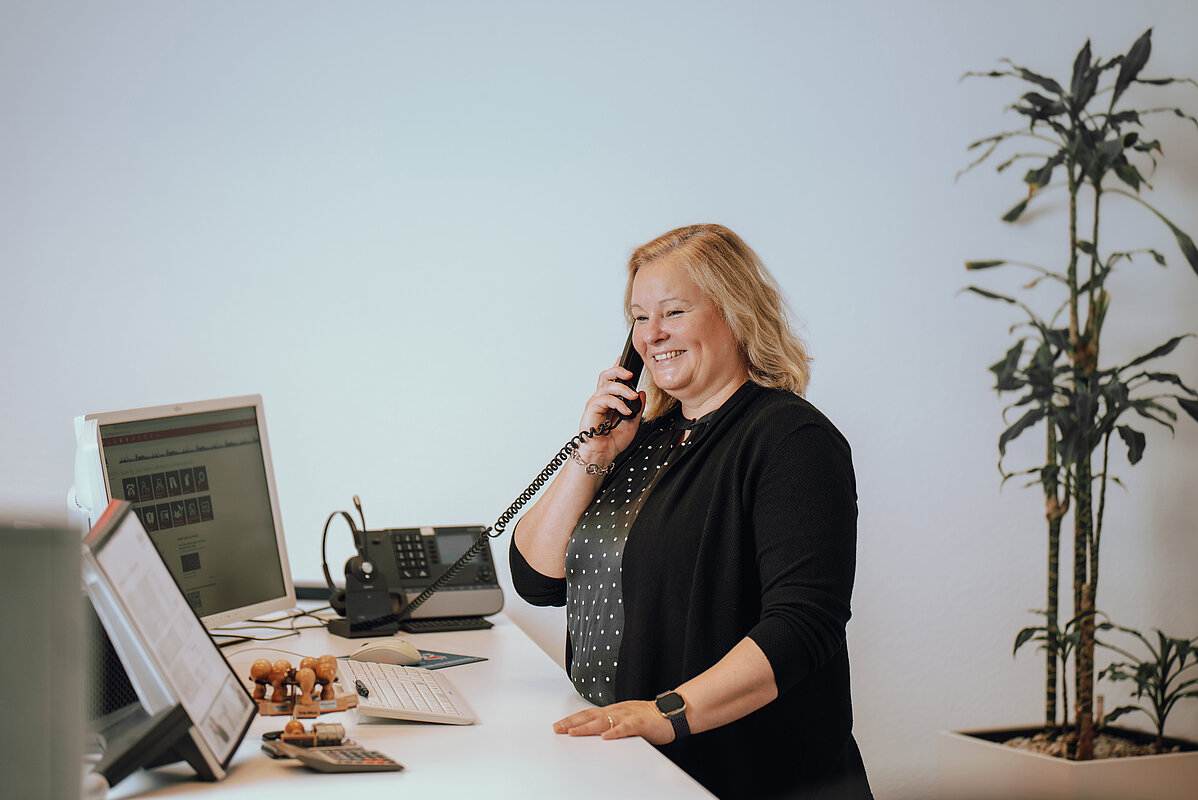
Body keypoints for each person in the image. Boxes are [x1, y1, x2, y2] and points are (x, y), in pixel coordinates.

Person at [510, 224, 871, 800]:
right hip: (633, 765)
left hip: (743, 774)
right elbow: (538, 578)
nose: (652, 336)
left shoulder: (791, 439)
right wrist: (591, 452)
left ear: (735, 312)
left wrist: (668, 713)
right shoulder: (646, 439)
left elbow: (804, 625)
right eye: (638, 318)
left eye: (673, 312)